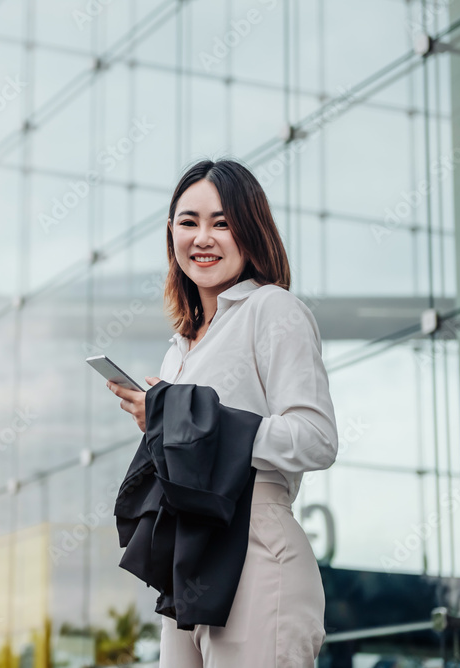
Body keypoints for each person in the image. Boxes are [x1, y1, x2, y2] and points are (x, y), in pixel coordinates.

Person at [105, 158, 338, 667]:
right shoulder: (180, 350)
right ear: (171, 234)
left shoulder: (272, 309)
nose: (203, 238)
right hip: (189, 557)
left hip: (256, 545)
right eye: (189, 223)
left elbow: (317, 439)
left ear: (250, 229)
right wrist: (165, 423)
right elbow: (190, 443)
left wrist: (190, 421)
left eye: (222, 223)